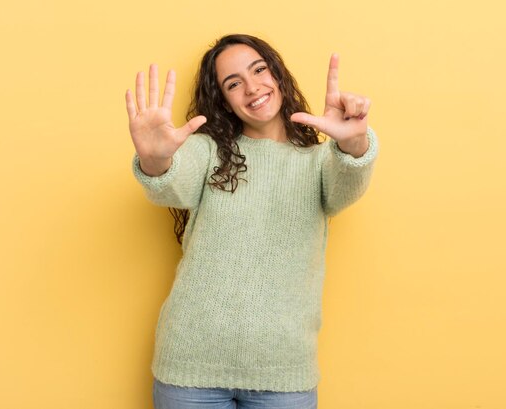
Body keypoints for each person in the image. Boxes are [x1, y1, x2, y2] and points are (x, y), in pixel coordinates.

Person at [125, 34, 378, 409]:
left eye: (258, 70)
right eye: (233, 83)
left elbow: (349, 183)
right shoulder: (206, 151)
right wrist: (155, 160)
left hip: (283, 372)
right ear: (224, 101)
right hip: (190, 368)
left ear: (277, 75)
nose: (252, 87)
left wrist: (354, 143)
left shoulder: (320, 161)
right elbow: (168, 185)